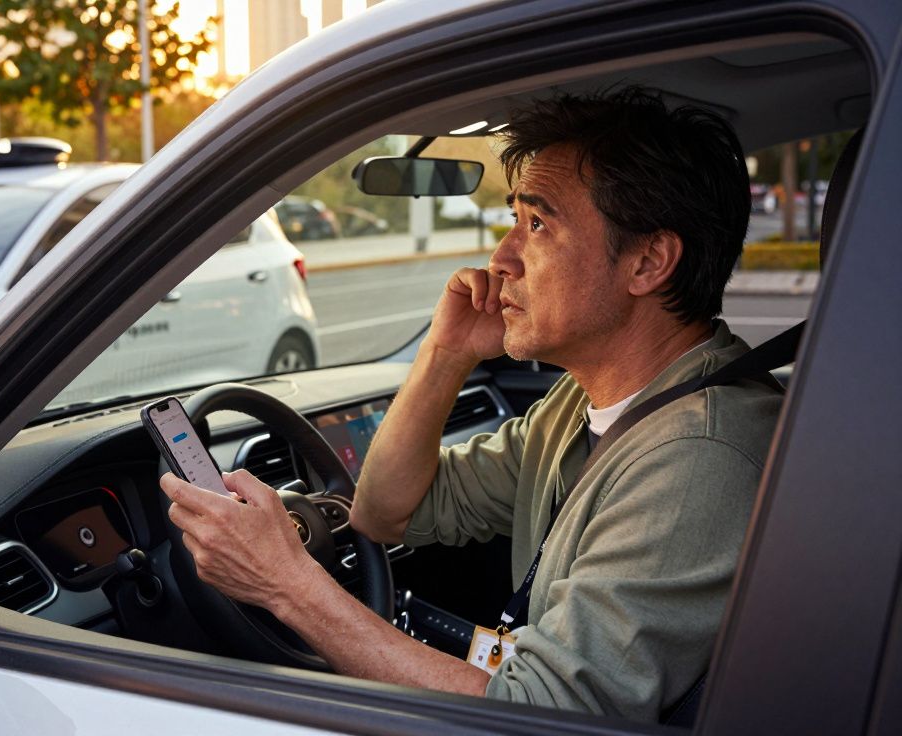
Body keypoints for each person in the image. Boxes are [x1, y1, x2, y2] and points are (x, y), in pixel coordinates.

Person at [160, 87, 782, 722]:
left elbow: (538, 718)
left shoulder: (697, 457)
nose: (501, 258)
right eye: (513, 221)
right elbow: (383, 514)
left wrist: (285, 584)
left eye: (537, 224)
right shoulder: (587, 402)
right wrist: (446, 354)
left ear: (649, 261)